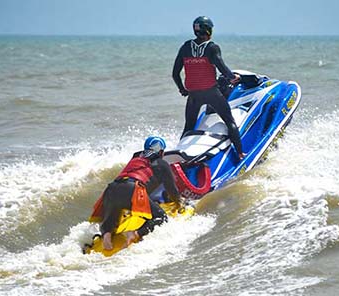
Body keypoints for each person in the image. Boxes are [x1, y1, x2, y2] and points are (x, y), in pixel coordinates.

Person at [172, 16, 245, 160]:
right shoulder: (212, 47)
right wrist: (232, 77)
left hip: (194, 95)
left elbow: (175, 73)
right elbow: (221, 66)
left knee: (189, 127)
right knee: (229, 121)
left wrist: (182, 89)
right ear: (209, 30)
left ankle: (178, 157)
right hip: (211, 93)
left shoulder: (185, 47)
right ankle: (241, 153)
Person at [90, 136, 181, 251]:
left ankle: (106, 235)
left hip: (111, 189)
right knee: (161, 217)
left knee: (111, 218)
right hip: (132, 190)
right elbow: (172, 189)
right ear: (162, 152)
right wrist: (179, 203)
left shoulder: (135, 158)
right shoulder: (162, 164)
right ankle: (135, 234)